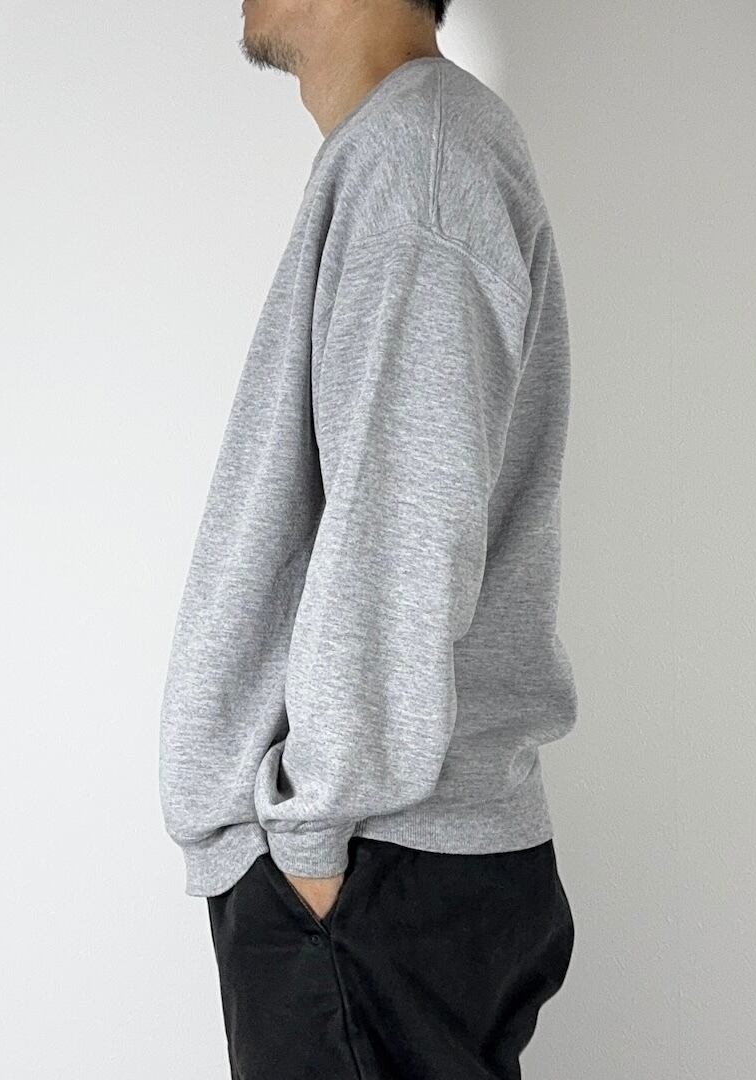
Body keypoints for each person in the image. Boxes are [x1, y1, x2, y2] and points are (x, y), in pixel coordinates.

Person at [158, 1, 578, 1076]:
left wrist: (313, 841)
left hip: (364, 866)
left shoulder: (418, 160)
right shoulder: (407, 149)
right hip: (374, 863)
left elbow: (402, 526)